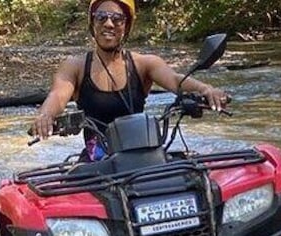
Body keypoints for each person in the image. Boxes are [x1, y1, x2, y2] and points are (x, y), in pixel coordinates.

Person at [30, 0, 229, 159]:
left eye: (117, 19)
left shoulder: (145, 64)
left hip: (143, 152)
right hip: (97, 159)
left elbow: (176, 80)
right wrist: (45, 116)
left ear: (126, 26)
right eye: (101, 17)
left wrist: (206, 89)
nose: (109, 23)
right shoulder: (76, 66)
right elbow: (57, 95)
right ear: (93, 23)